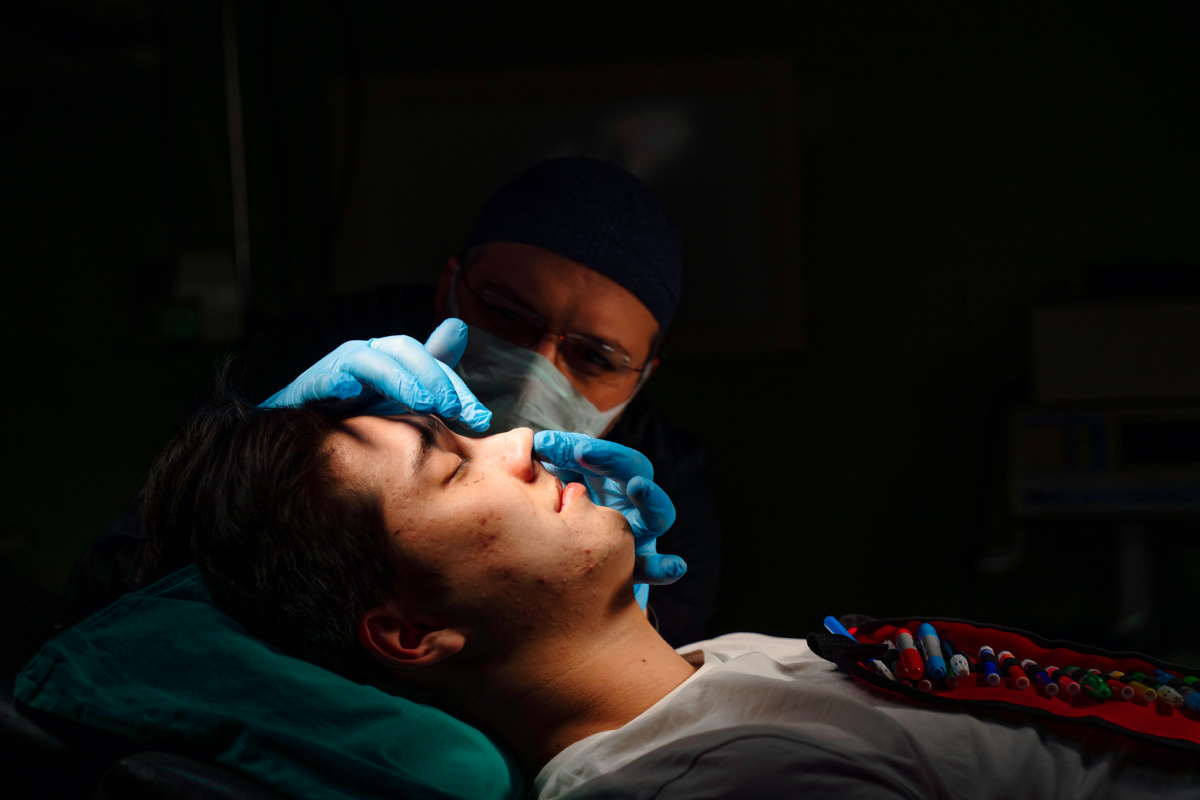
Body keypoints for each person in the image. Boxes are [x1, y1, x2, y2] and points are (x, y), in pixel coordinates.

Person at [140, 392, 1198, 800]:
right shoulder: (710, 779)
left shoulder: (717, 671)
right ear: (411, 631)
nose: (520, 439)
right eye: (453, 467)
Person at [69, 157, 719, 647]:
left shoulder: (651, 502)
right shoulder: (334, 366)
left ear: (644, 377)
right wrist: (242, 481)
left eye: (595, 357)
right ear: (449, 286)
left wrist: (615, 628)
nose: (532, 381)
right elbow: (114, 590)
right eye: (506, 313)